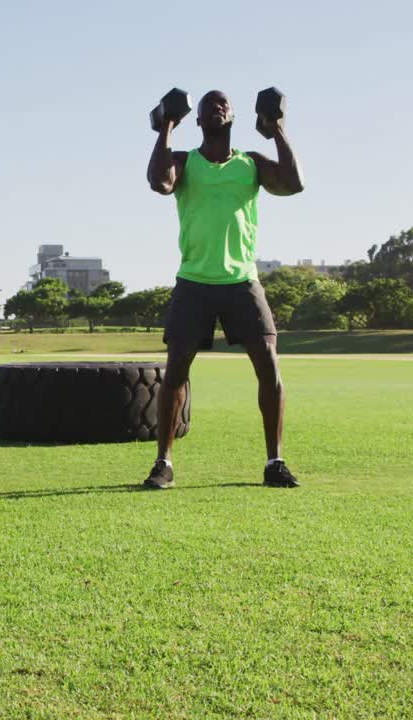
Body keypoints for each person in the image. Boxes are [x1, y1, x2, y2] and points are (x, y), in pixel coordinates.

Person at [142, 89, 306, 490]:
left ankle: (275, 462)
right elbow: (159, 182)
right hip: (194, 281)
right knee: (176, 368)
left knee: (268, 363)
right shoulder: (185, 162)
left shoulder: (251, 164)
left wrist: (276, 130)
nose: (216, 107)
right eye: (207, 106)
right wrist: (166, 126)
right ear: (197, 120)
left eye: (223, 104)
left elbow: (293, 184)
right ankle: (164, 464)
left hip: (242, 281)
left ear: (233, 117)